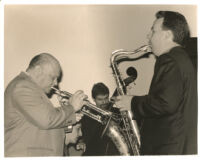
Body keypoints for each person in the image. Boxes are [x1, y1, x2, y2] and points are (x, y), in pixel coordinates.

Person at [115, 11, 197, 155]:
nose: (148, 36)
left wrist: (132, 102)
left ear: (167, 35)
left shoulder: (170, 60)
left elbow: (165, 103)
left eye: (153, 31)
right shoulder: (181, 59)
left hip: (168, 149)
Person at [4, 53, 87, 157]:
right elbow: (47, 119)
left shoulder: (31, 89)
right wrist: (71, 108)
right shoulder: (22, 86)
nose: (56, 83)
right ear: (38, 70)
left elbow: (45, 126)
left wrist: (71, 116)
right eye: (53, 77)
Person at [81, 82, 119, 156]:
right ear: (93, 99)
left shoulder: (117, 112)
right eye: (100, 99)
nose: (104, 102)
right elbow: (88, 141)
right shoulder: (87, 117)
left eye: (106, 98)